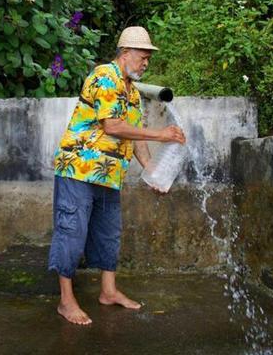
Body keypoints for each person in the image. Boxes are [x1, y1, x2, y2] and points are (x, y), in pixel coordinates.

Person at [47, 26, 186, 325]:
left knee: (109, 233)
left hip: (109, 176)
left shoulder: (133, 94)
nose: (146, 63)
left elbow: (135, 139)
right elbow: (112, 126)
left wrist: (153, 174)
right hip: (78, 170)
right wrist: (161, 135)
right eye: (142, 56)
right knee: (71, 231)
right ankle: (66, 301)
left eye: (149, 58)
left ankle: (108, 291)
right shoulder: (104, 76)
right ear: (125, 54)